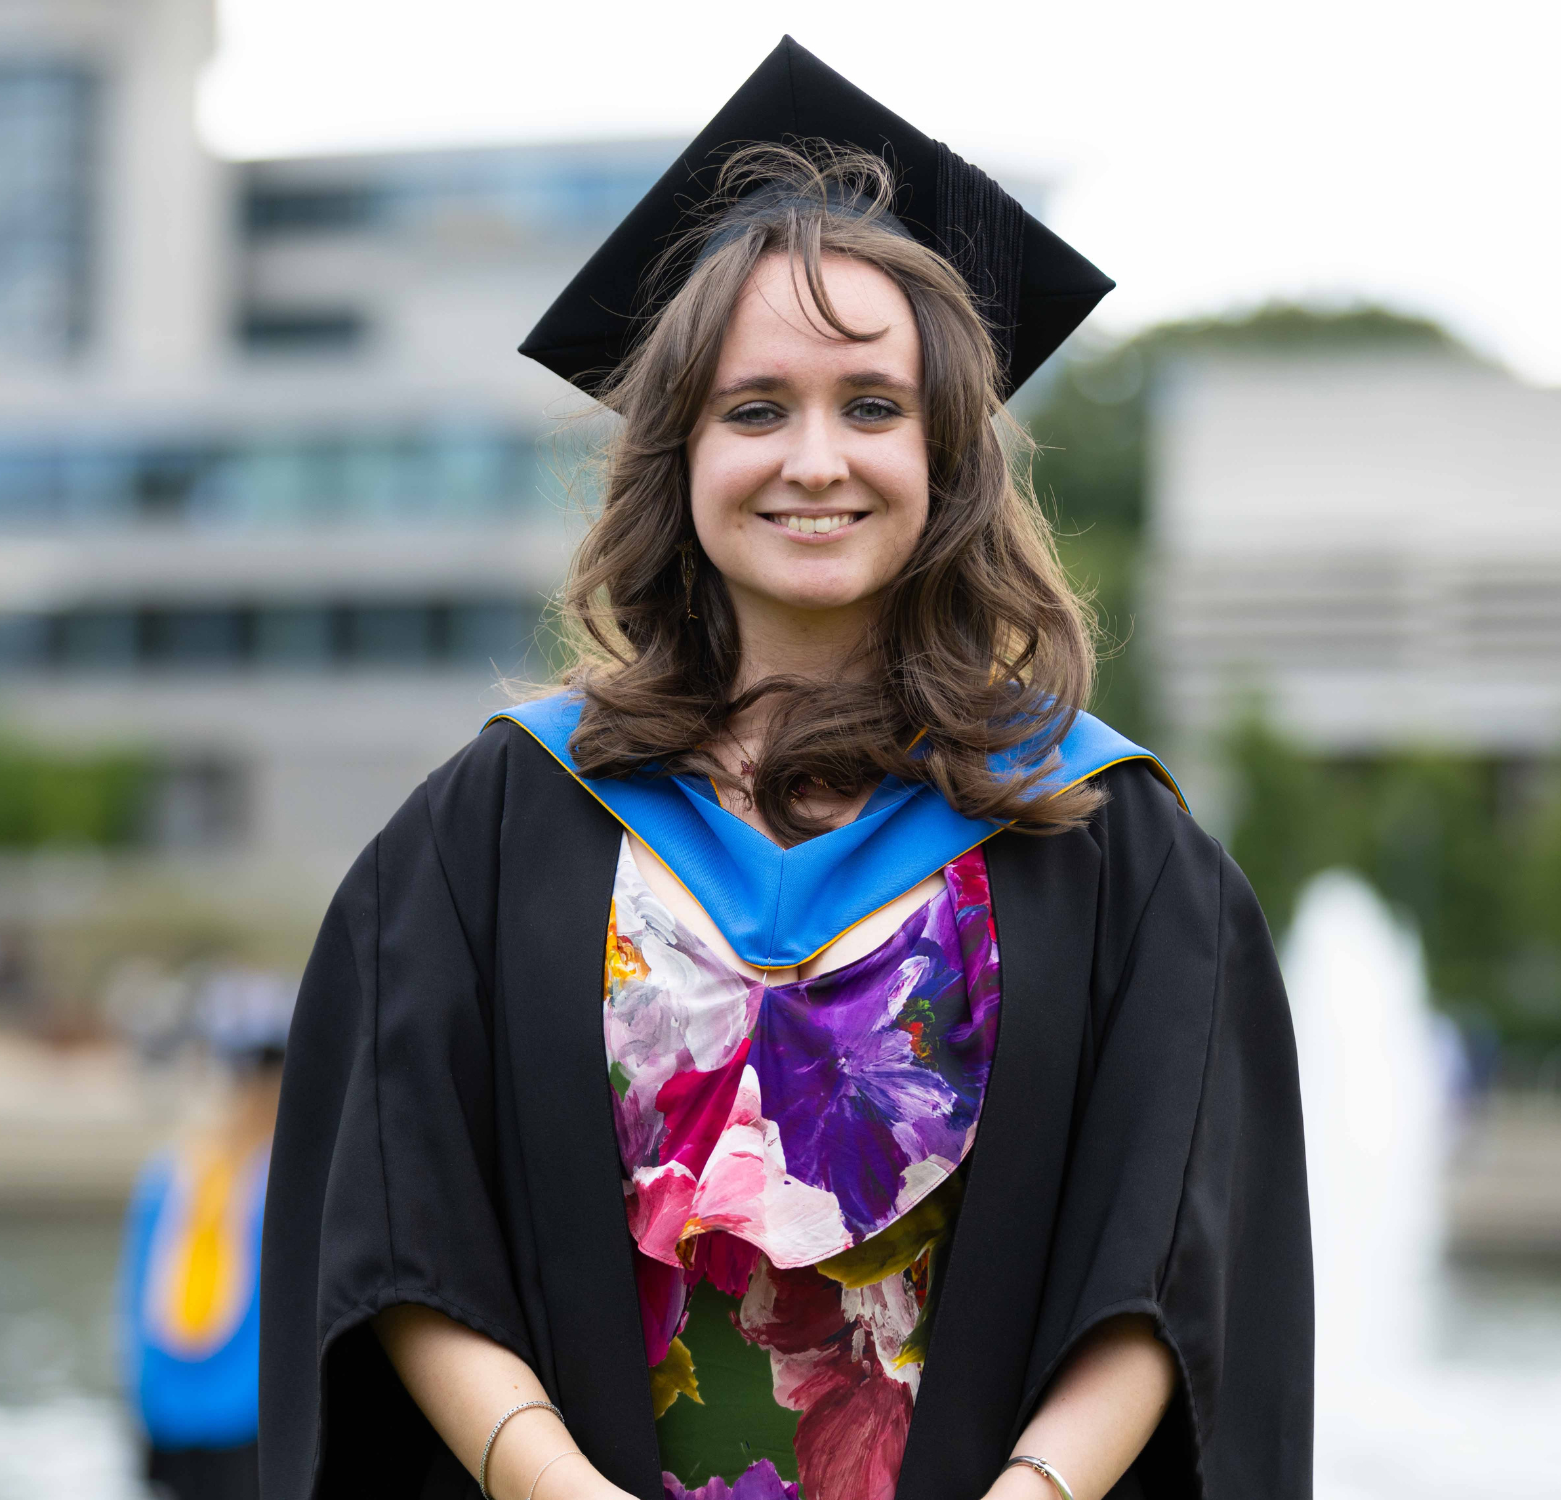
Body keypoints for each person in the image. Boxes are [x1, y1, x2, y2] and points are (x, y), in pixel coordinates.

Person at [261, 37, 1311, 1500]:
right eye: (756, 408)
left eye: (870, 407)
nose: (813, 457)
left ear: (945, 454)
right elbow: (388, 1210)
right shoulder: (504, 820)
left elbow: (1180, 1251)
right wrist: (545, 1484)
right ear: (677, 453)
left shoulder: (1099, 835)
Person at [121, 967, 294, 1500]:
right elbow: (138, 1306)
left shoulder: (276, 1179)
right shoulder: (173, 1176)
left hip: (238, 1414)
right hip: (188, 1411)